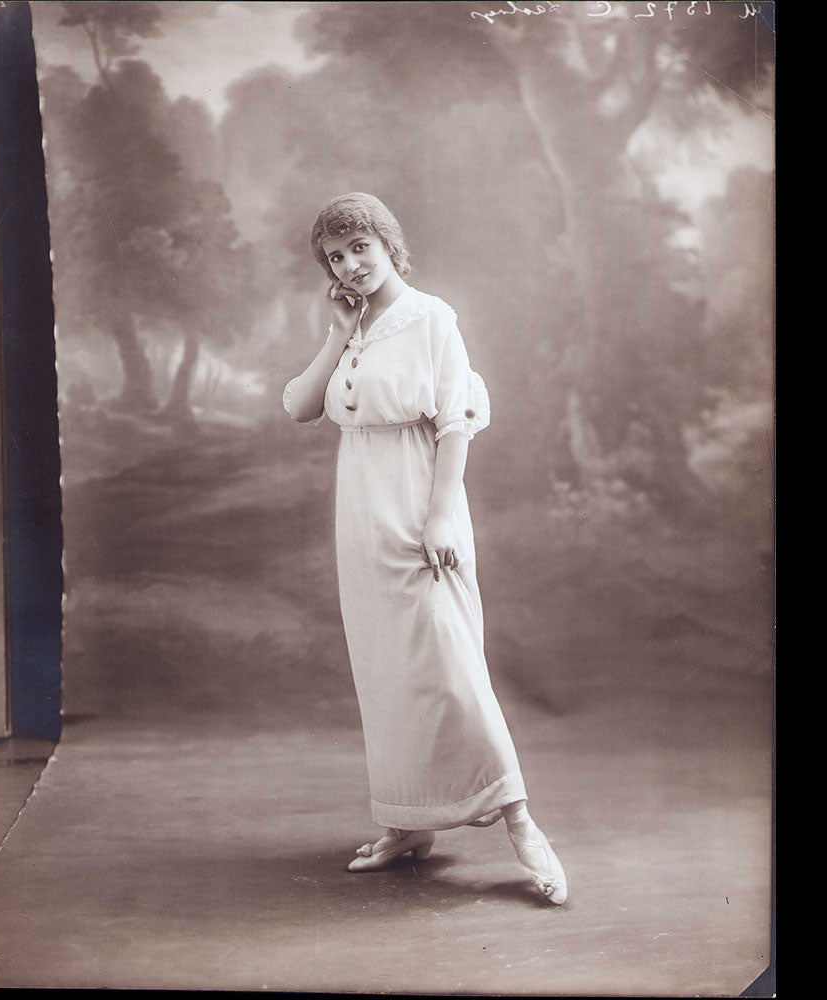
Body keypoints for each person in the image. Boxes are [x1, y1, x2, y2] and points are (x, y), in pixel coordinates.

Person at [283, 193, 567, 905]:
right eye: (336, 256)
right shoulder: (355, 326)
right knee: (387, 673)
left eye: (360, 247)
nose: (351, 264)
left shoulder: (432, 317)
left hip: (418, 503)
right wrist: (336, 332)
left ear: (388, 242)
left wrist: (441, 517)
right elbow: (297, 406)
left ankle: (520, 820)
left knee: (448, 665)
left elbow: (453, 423)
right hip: (361, 513)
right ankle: (410, 824)